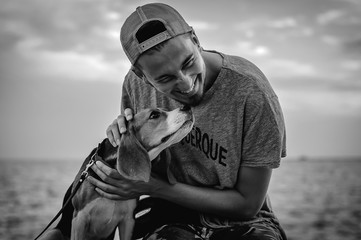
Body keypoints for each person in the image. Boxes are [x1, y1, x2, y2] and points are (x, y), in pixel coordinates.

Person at [88, 3, 287, 240]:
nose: (185, 83)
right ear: (143, 77)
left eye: (188, 62)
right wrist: (123, 138)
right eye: (165, 78)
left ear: (195, 39)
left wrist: (155, 187)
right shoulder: (134, 85)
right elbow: (137, 168)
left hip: (246, 222)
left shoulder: (252, 93)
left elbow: (248, 205)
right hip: (168, 213)